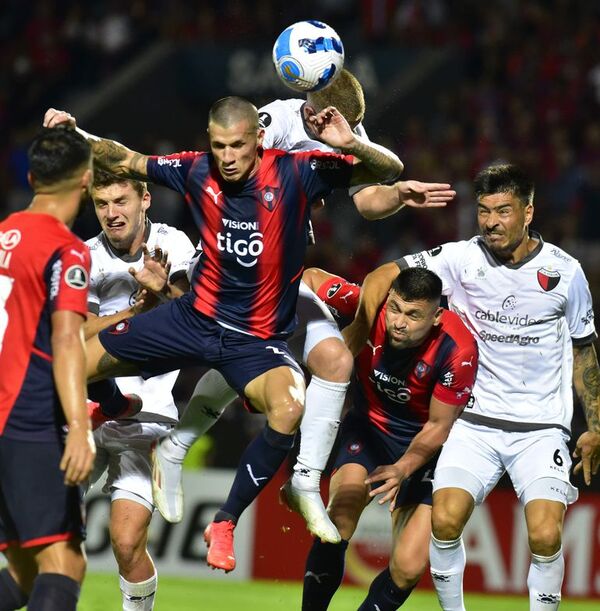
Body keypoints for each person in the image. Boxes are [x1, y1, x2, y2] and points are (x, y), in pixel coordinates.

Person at [43, 95, 403, 573]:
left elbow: (388, 168)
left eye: (237, 145)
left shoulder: (299, 171)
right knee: (70, 360)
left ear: (258, 139)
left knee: (289, 406)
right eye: (219, 147)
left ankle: (226, 520)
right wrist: (76, 134)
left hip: (255, 340)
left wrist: (351, 142)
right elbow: (124, 157)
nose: (228, 158)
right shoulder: (196, 171)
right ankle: (111, 406)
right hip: (192, 318)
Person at [150, 69, 456, 547]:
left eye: (354, 126)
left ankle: (305, 480)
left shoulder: (343, 128)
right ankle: (177, 443)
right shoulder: (275, 120)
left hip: (279, 281)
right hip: (232, 270)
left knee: (335, 360)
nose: (345, 133)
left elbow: (371, 199)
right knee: (242, 355)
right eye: (339, 126)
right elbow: (231, 163)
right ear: (313, 112)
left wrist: (395, 190)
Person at [344, 162, 600, 610]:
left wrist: (594, 424)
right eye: (484, 210)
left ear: (529, 212)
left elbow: (584, 352)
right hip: (473, 422)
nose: (491, 222)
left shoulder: (566, 272)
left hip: (540, 429)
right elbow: (389, 273)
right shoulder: (461, 258)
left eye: (503, 211)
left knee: (544, 533)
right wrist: (358, 333)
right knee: (444, 521)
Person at [298, 266, 478, 610]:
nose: (399, 322)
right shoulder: (368, 307)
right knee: (338, 520)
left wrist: (402, 468)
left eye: (413, 315)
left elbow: (440, 426)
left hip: (428, 452)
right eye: (395, 308)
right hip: (368, 431)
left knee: (408, 568)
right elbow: (309, 278)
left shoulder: (458, 349)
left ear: (437, 316)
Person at [85, 169, 195, 610]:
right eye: (101, 204)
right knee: (47, 528)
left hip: (145, 418)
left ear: (145, 199)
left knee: (127, 543)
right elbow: (79, 335)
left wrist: (163, 291)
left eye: (121, 201)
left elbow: (194, 319)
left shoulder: (174, 244)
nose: (111, 214)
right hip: (86, 411)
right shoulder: (84, 256)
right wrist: (138, 306)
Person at [0, 127, 96, 611]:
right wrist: (79, 426)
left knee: (22, 569)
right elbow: (66, 338)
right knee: (64, 562)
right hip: (29, 419)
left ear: (33, 177)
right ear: (86, 179)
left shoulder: (2, 234)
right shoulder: (67, 250)